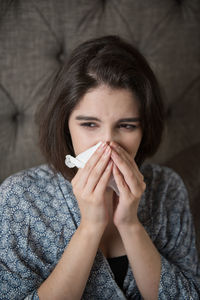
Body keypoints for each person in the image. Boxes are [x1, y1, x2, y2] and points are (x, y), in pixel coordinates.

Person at [0, 35, 199, 300]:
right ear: (65, 126)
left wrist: (129, 224)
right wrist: (90, 226)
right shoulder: (20, 197)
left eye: (126, 125)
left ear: (144, 129)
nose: (107, 145)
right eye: (89, 124)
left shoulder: (167, 188)